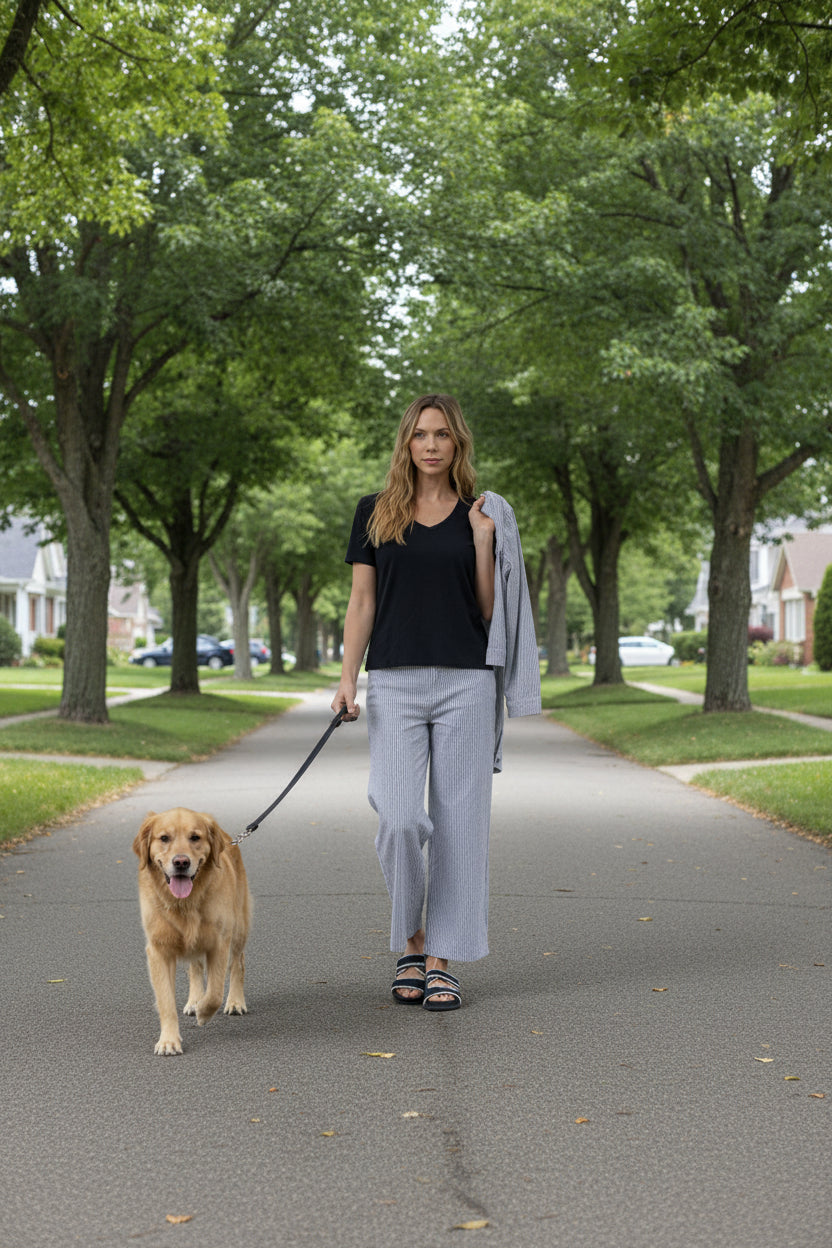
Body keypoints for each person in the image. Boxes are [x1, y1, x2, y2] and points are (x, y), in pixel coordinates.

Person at [332, 393, 541, 1010]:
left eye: (442, 434)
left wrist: (482, 541)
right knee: (398, 818)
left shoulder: (481, 513)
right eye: (421, 434)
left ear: (458, 443)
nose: (430, 445)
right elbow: (362, 602)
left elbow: (488, 608)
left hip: (466, 682)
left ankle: (441, 958)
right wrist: (347, 678)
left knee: (459, 826)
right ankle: (413, 939)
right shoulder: (374, 512)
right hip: (394, 682)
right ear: (406, 442)